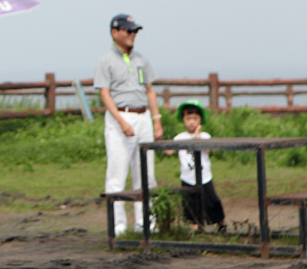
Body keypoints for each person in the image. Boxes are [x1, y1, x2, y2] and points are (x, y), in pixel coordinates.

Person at [94, 13, 163, 237]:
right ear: (115, 32)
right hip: (120, 117)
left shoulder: (141, 59)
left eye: (135, 31)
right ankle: (118, 224)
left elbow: (150, 90)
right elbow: (105, 94)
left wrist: (156, 119)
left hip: (143, 117)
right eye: (128, 30)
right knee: (117, 171)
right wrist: (121, 121)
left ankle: (146, 221)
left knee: (146, 172)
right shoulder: (106, 59)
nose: (133, 35)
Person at [171, 100, 227, 232]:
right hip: (187, 176)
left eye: (195, 118)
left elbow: (207, 150)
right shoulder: (179, 138)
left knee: (211, 200)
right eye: (188, 118)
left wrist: (197, 136)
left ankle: (221, 222)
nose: (191, 122)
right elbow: (169, 150)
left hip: (204, 176)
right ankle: (196, 226)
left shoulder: (204, 136)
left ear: (200, 120)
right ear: (183, 120)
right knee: (190, 203)